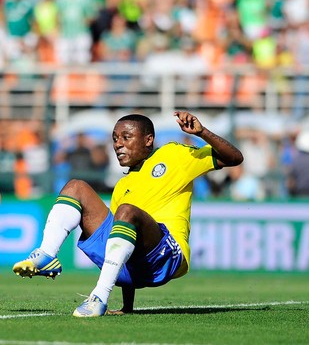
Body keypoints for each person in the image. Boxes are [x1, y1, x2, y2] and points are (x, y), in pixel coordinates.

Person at [12, 112, 243, 317]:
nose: (118, 144)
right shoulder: (122, 186)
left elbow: (234, 158)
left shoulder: (174, 155)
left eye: (126, 137)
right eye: (114, 138)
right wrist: (127, 307)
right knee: (76, 187)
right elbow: (121, 243)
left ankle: (98, 297)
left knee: (126, 211)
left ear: (148, 140)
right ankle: (46, 254)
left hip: (168, 257)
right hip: (132, 269)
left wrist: (202, 132)